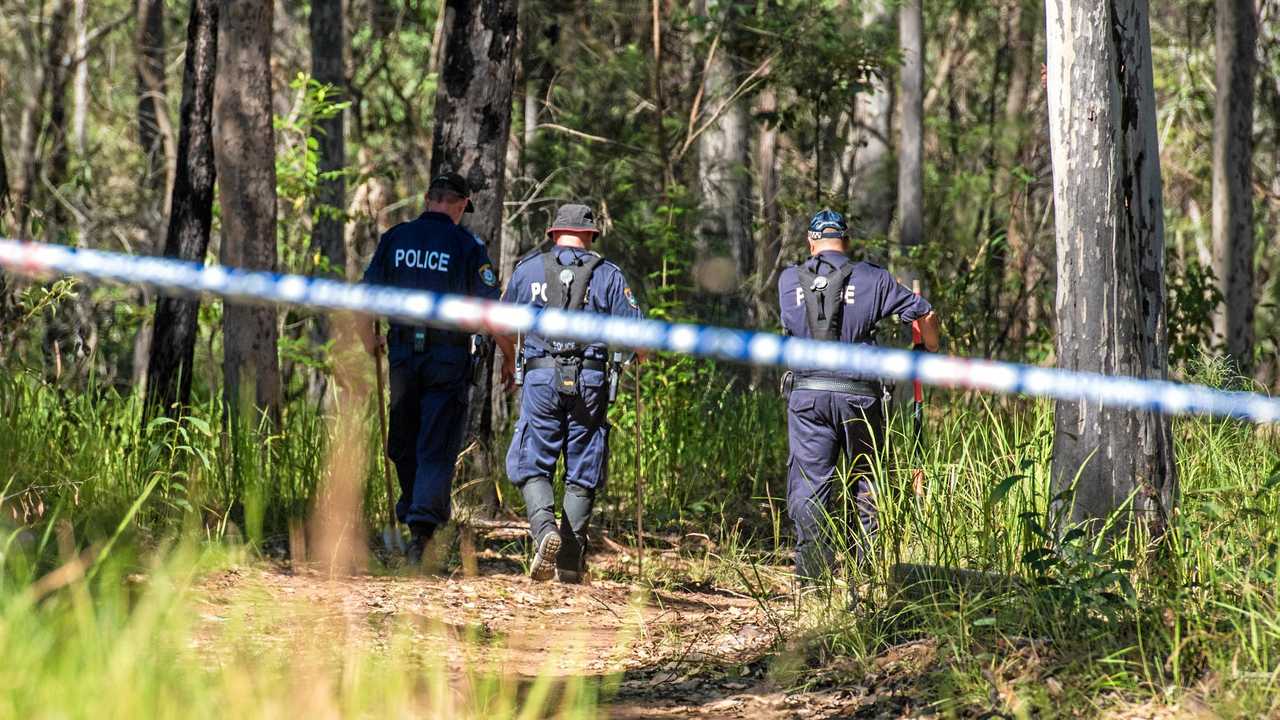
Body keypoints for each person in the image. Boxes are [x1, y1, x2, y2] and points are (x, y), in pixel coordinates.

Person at [359, 172, 516, 565]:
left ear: (428, 198)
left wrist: (368, 341)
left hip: (403, 357)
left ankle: (414, 516)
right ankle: (422, 533)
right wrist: (509, 355)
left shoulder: (395, 239)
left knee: (404, 440)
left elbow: (365, 297)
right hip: (447, 358)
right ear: (461, 205)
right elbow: (489, 308)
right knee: (435, 442)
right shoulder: (466, 244)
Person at [777, 209, 941, 585]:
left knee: (809, 483)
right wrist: (929, 347)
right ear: (846, 242)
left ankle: (813, 580)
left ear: (810, 242)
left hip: (808, 399)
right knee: (867, 480)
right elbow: (925, 314)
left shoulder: (789, 280)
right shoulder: (873, 278)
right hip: (860, 398)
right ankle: (866, 576)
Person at [503, 203, 643, 583]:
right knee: (584, 462)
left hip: (540, 377)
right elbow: (637, 339)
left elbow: (499, 323)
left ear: (553, 234)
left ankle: (544, 529)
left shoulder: (527, 269)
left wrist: (508, 360)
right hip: (591, 382)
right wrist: (632, 360)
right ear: (591, 236)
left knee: (532, 459)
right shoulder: (609, 275)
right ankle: (568, 557)